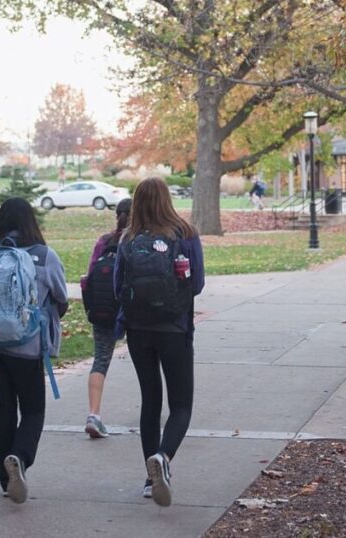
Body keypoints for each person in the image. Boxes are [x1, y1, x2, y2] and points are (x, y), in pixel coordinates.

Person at [114, 177, 205, 507]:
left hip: (138, 331)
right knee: (181, 405)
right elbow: (197, 284)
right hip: (175, 328)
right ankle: (163, 457)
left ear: (137, 202)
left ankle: (150, 479)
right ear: (167, 199)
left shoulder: (128, 238)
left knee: (150, 401)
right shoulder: (186, 234)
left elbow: (117, 288)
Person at [0, 197, 68, 504]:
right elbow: (61, 298)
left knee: (4, 408)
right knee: (33, 410)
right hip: (26, 346)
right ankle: (19, 457)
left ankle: (5, 481)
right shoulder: (44, 256)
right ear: (31, 221)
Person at [82, 198, 132, 439]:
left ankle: (94, 414)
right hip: (134, 310)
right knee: (149, 362)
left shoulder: (104, 241)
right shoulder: (139, 242)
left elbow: (89, 277)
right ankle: (153, 411)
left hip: (104, 310)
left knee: (100, 360)